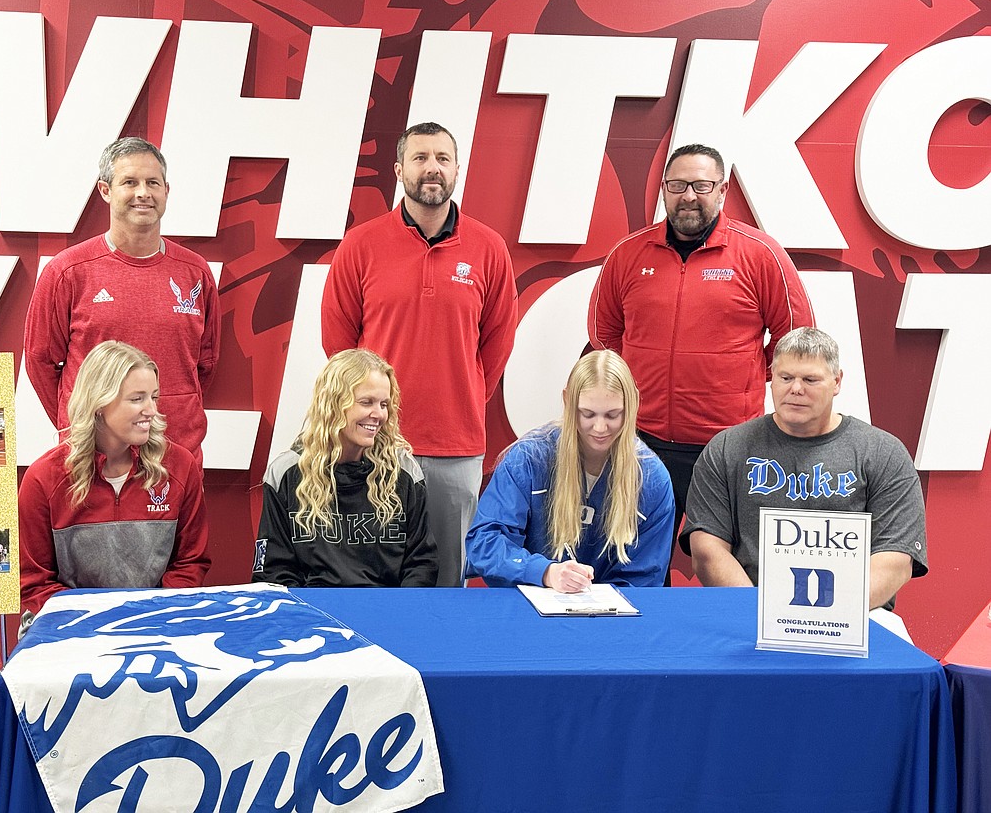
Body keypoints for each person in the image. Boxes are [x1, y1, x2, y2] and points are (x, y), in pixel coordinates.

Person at [588, 144, 814, 577]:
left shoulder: (760, 254)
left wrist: (741, 382)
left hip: (728, 445)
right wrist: (635, 391)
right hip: (642, 441)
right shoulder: (628, 254)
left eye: (701, 185)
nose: (688, 195)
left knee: (729, 565)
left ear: (723, 190)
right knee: (629, 564)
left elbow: (796, 339)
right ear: (663, 191)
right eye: (677, 186)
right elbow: (604, 335)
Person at [322, 122, 518, 587]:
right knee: (373, 572)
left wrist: (462, 394)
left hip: (456, 445)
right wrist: (367, 414)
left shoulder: (489, 248)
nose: (432, 168)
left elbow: (497, 341)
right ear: (399, 169)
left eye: (442, 158)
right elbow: (339, 346)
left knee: (449, 577)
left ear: (456, 169)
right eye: (420, 157)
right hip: (376, 444)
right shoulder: (361, 245)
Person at [681, 327, 927, 612]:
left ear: (836, 382)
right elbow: (707, 549)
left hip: (859, 616)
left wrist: (831, 615)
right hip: (749, 610)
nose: (796, 389)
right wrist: (760, 614)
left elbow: (896, 559)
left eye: (810, 379)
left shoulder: (883, 453)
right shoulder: (727, 449)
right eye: (785, 378)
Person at [23, 137, 221, 465]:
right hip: (93, 458)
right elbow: (40, 361)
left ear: (166, 192)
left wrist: (171, 412)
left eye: (152, 183)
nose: (143, 192)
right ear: (105, 190)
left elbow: (206, 365)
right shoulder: (68, 271)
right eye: (130, 182)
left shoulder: (195, 272)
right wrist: (80, 424)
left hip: (175, 457)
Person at [19, 340, 210, 630]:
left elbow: (190, 562)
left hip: (157, 623)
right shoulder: (44, 479)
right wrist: (96, 623)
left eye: (154, 397)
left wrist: (153, 616)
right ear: (99, 404)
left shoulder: (180, 468)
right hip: (69, 629)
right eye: (137, 399)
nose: (151, 411)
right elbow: (34, 582)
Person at [466, 350, 675, 591]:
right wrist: (544, 572)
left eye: (612, 415)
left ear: (633, 403)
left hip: (610, 615)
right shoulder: (528, 459)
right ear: (567, 400)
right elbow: (485, 541)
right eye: (587, 414)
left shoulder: (651, 478)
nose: (599, 427)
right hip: (529, 600)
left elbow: (645, 578)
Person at [253, 349, 438, 588]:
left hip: (387, 613)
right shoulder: (286, 472)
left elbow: (422, 563)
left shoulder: (404, 471)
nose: (379, 414)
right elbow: (273, 571)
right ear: (333, 404)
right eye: (366, 402)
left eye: (384, 404)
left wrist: (399, 613)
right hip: (314, 616)